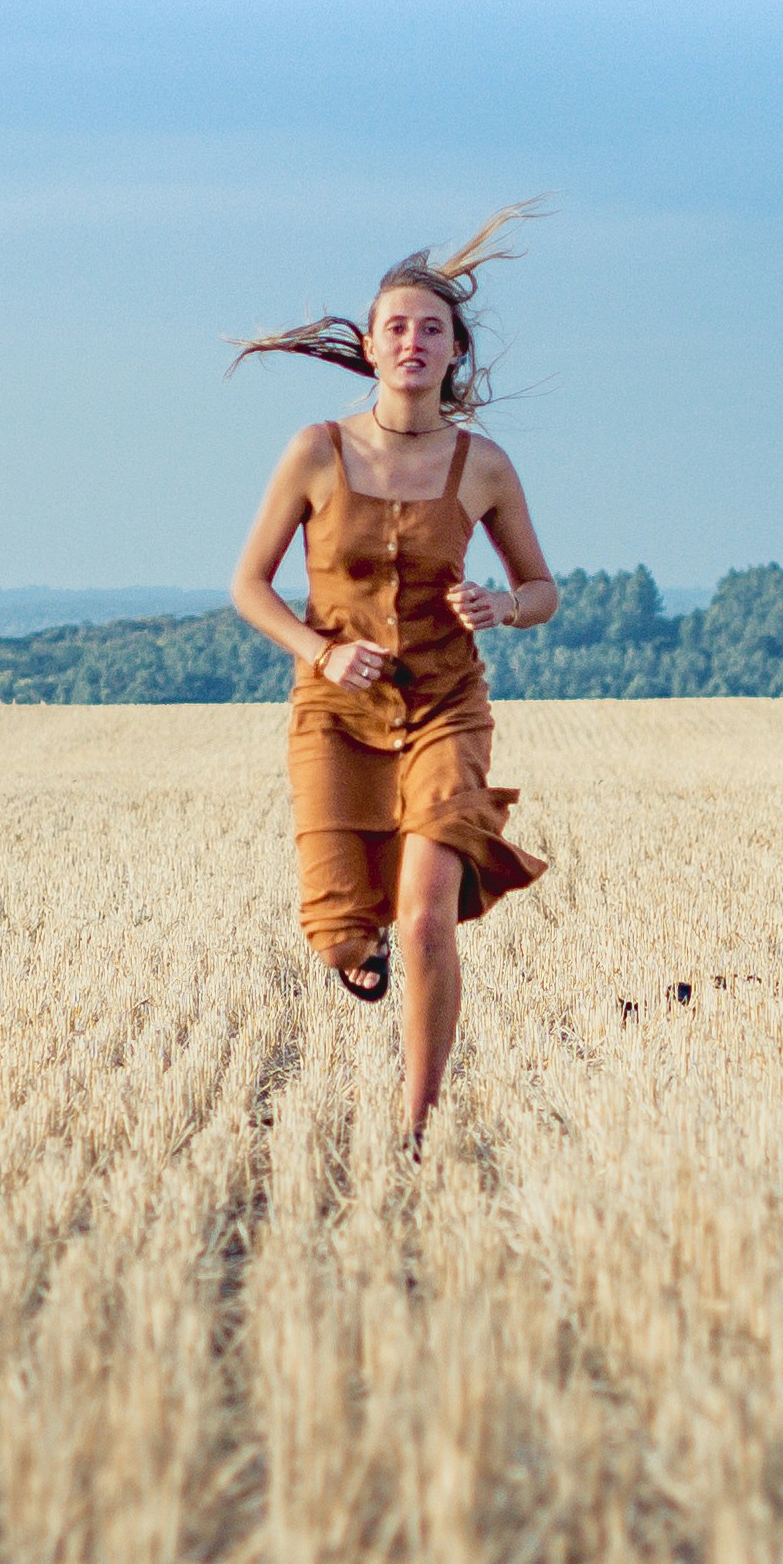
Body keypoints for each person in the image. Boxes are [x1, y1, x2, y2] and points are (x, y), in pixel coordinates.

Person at [230, 209, 561, 1151]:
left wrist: (507, 606)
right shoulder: (314, 451)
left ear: (455, 352)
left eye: (432, 328)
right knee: (341, 934)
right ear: (370, 347)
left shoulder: (482, 465)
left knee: (423, 920)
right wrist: (321, 650)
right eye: (396, 327)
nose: (412, 341)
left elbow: (544, 589)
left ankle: (418, 1123)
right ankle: (354, 946)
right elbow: (248, 586)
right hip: (335, 712)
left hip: (448, 709)